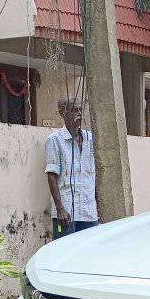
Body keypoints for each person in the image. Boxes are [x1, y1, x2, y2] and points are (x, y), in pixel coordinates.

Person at [45, 100, 98, 239]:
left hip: (88, 211)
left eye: (80, 110)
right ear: (63, 112)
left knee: (90, 249)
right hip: (66, 212)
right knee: (64, 249)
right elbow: (51, 175)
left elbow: (96, 173)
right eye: (75, 110)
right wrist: (60, 209)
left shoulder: (91, 139)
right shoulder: (54, 140)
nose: (79, 114)